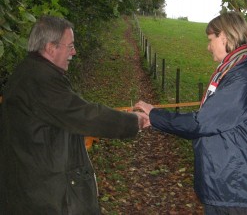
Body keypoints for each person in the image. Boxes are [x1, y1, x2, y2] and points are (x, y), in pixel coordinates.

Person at [1, 16, 149, 215]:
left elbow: (62, 119)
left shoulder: (29, 73)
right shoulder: (40, 80)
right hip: (42, 197)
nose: (74, 52)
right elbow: (84, 115)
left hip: (30, 189)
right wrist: (134, 121)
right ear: (51, 47)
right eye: (70, 46)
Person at [134, 11, 247, 215]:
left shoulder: (244, 78)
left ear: (224, 36)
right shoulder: (235, 72)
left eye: (210, 39)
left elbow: (202, 123)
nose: (208, 46)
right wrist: (157, 120)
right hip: (225, 183)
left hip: (234, 188)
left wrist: (155, 115)